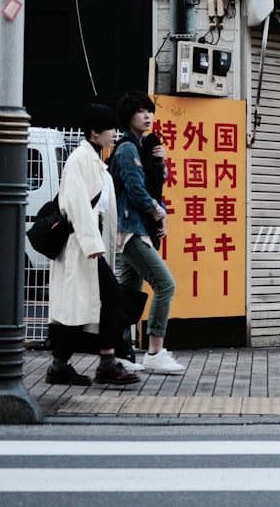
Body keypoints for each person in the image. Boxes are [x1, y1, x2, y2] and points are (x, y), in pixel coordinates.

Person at [45, 103, 140, 386]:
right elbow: (76, 204)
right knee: (108, 298)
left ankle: (60, 366)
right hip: (83, 246)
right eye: (110, 128)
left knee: (80, 308)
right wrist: (92, 243)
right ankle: (107, 363)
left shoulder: (95, 161)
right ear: (95, 132)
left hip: (89, 246)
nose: (115, 133)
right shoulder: (80, 160)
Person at [109, 91, 186, 374]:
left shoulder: (143, 147)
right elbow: (137, 191)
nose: (147, 116)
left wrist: (159, 162)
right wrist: (158, 211)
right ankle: (154, 351)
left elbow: (154, 185)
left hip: (135, 228)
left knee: (128, 293)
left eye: (150, 111)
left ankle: (120, 353)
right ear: (128, 115)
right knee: (165, 284)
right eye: (141, 111)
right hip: (130, 228)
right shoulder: (128, 148)